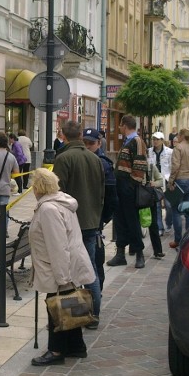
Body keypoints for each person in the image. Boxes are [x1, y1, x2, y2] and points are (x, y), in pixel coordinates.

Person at [29, 168, 96, 366]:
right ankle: (76, 346)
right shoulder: (61, 201)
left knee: (56, 306)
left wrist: (62, 278)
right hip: (68, 262)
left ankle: (56, 351)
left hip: (58, 266)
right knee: (69, 303)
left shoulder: (49, 209)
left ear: (38, 187)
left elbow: (57, 246)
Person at [53, 122, 105, 329]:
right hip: (91, 221)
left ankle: (76, 315)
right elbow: (102, 192)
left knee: (70, 271)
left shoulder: (63, 158)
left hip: (71, 223)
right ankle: (93, 313)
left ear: (63, 136)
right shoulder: (95, 158)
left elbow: (57, 194)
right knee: (88, 268)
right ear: (81, 135)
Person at [106, 114, 149, 269]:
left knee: (132, 221)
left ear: (124, 125)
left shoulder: (137, 141)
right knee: (120, 221)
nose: (119, 127)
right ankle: (120, 254)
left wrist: (131, 185)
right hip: (120, 187)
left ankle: (139, 254)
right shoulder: (128, 141)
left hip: (128, 188)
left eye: (120, 125)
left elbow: (140, 165)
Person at [82, 128, 117, 291]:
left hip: (95, 220)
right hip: (81, 218)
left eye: (91, 143)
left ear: (99, 143)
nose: (88, 146)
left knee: (95, 261)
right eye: (85, 143)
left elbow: (111, 196)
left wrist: (103, 218)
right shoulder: (80, 159)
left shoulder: (103, 163)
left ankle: (96, 297)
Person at [168, 128, 189, 249]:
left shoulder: (179, 148)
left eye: (178, 135)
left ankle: (178, 240)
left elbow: (175, 166)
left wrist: (171, 181)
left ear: (181, 136)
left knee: (176, 211)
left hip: (180, 180)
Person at [0, 132, 19, 236]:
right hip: (5, 188)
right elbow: (16, 173)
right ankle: (3, 231)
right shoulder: (11, 156)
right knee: (4, 212)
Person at [148, 131, 173, 236]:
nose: (155, 141)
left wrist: (172, 180)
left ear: (162, 140)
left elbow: (172, 167)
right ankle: (159, 227)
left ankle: (168, 222)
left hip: (166, 181)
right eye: (153, 139)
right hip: (155, 182)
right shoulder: (149, 151)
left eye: (157, 139)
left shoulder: (169, 152)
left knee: (169, 206)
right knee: (156, 206)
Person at [141, 160, 165, 258]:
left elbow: (160, 180)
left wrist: (153, 183)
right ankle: (134, 249)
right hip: (137, 198)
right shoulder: (132, 166)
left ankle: (158, 250)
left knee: (153, 224)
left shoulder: (151, 166)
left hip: (149, 198)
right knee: (135, 224)